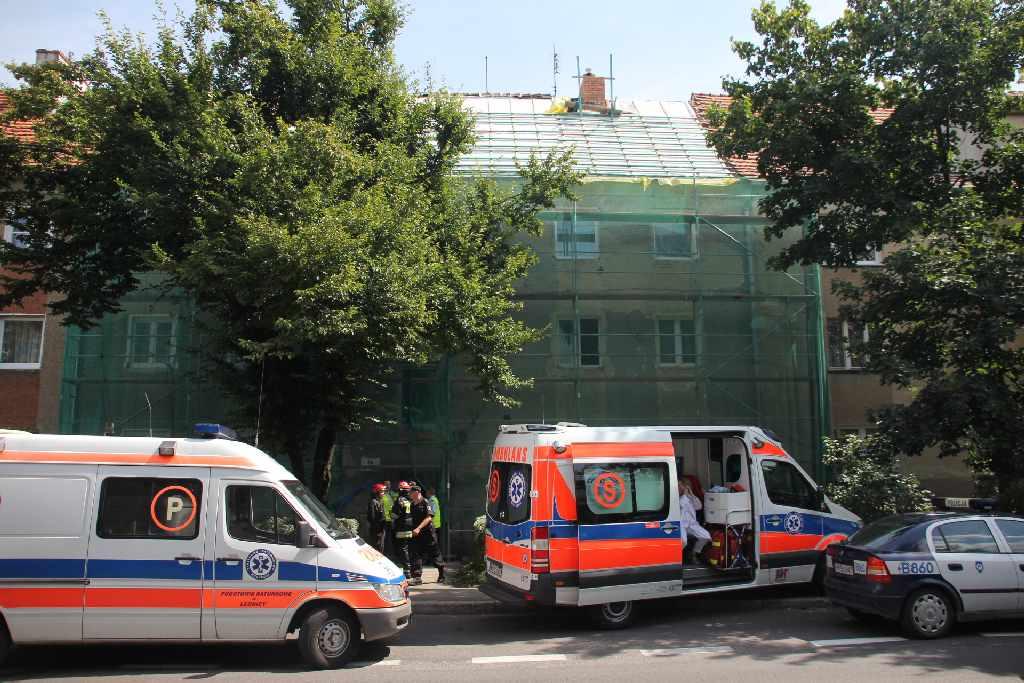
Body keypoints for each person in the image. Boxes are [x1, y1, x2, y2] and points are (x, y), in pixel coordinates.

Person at [408, 485, 445, 585]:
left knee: (434, 554)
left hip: (428, 533)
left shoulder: (426, 502)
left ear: (417, 492)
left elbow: (429, 518)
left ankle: (441, 574)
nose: (409, 494)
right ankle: (417, 578)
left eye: (411, 492)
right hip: (417, 534)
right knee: (416, 554)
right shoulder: (412, 504)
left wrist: (419, 528)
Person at [679, 478, 711, 560]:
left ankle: (694, 553)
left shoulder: (690, 497)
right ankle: (674, 559)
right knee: (683, 542)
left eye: (682, 486)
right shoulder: (677, 498)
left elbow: (699, 506)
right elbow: (681, 504)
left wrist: (692, 495)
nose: (680, 488)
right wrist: (685, 495)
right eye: (679, 486)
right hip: (680, 525)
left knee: (706, 536)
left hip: (691, 524)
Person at [391, 481, 415, 579]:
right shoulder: (411, 499)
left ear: (400, 490)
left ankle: (407, 570)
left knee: (403, 548)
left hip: (401, 527)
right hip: (411, 526)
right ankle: (413, 569)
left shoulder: (399, 500)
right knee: (410, 548)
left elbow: (395, 515)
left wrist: (391, 515)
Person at [366, 483, 387, 552]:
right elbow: (372, 518)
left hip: (381, 529)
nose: (383, 493)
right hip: (377, 530)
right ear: (376, 492)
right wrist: (378, 531)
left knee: (380, 547)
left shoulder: (379, 501)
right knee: (377, 548)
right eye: (382, 491)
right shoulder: (373, 502)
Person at [426, 485, 442, 553]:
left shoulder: (432, 500)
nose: (426, 494)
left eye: (427, 492)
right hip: (436, 525)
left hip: (433, 525)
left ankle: (435, 556)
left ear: (429, 492)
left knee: (433, 543)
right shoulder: (434, 499)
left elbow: (432, 512)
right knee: (434, 542)